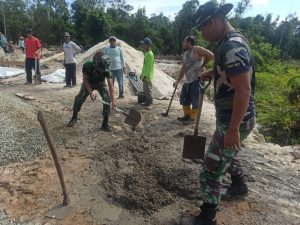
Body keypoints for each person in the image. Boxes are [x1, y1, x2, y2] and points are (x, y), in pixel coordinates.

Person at [185, 1, 256, 225]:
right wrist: (211, 72)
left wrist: (233, 129)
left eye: (203, 29)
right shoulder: (226, 41)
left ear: (213, 22)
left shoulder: (232, 46)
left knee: (210, 170)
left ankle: (207, 217)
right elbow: (229, 73)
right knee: (228, 154)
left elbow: (244, 90)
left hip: (235, 120)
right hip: (231, 117)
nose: (203, 35)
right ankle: (238, 185)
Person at [67, 51, 116, 132]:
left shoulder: (106, 67)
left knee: (107, 100)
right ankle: (74, 117)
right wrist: (90, 92)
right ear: (95, 63)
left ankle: (105, 124)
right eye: (100, 68)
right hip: (89, 83)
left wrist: (113, 99)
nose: (102, 71)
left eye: (103, 69)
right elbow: (85, 79)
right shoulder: (87, 65)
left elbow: (110, 84)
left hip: (100, 83)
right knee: (79, 99)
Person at [173, 36, 214, 125]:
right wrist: (177, 81)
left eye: (184, 42)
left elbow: (210, 55)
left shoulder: (197, 49)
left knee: (196, 100)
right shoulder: (186, 54)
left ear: (189, 42)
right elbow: (183, 69)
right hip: (188, 80)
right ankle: (187, 115)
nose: (183, 44)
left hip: (197, 79)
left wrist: (202, 64)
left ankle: (192, 118)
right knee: (184, 99)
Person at [140, 37, 154, 107]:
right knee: (145, 89)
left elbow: (149, 67)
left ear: (148, 45)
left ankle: (150, 102)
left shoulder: (150, 54)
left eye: (144, 44)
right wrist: (142, 74)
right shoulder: (146, 53)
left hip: (148, 76)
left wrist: (145, 75)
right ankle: (147, 101)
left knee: (148, 89)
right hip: (145, 75)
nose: (142, 45)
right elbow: (144, 66)